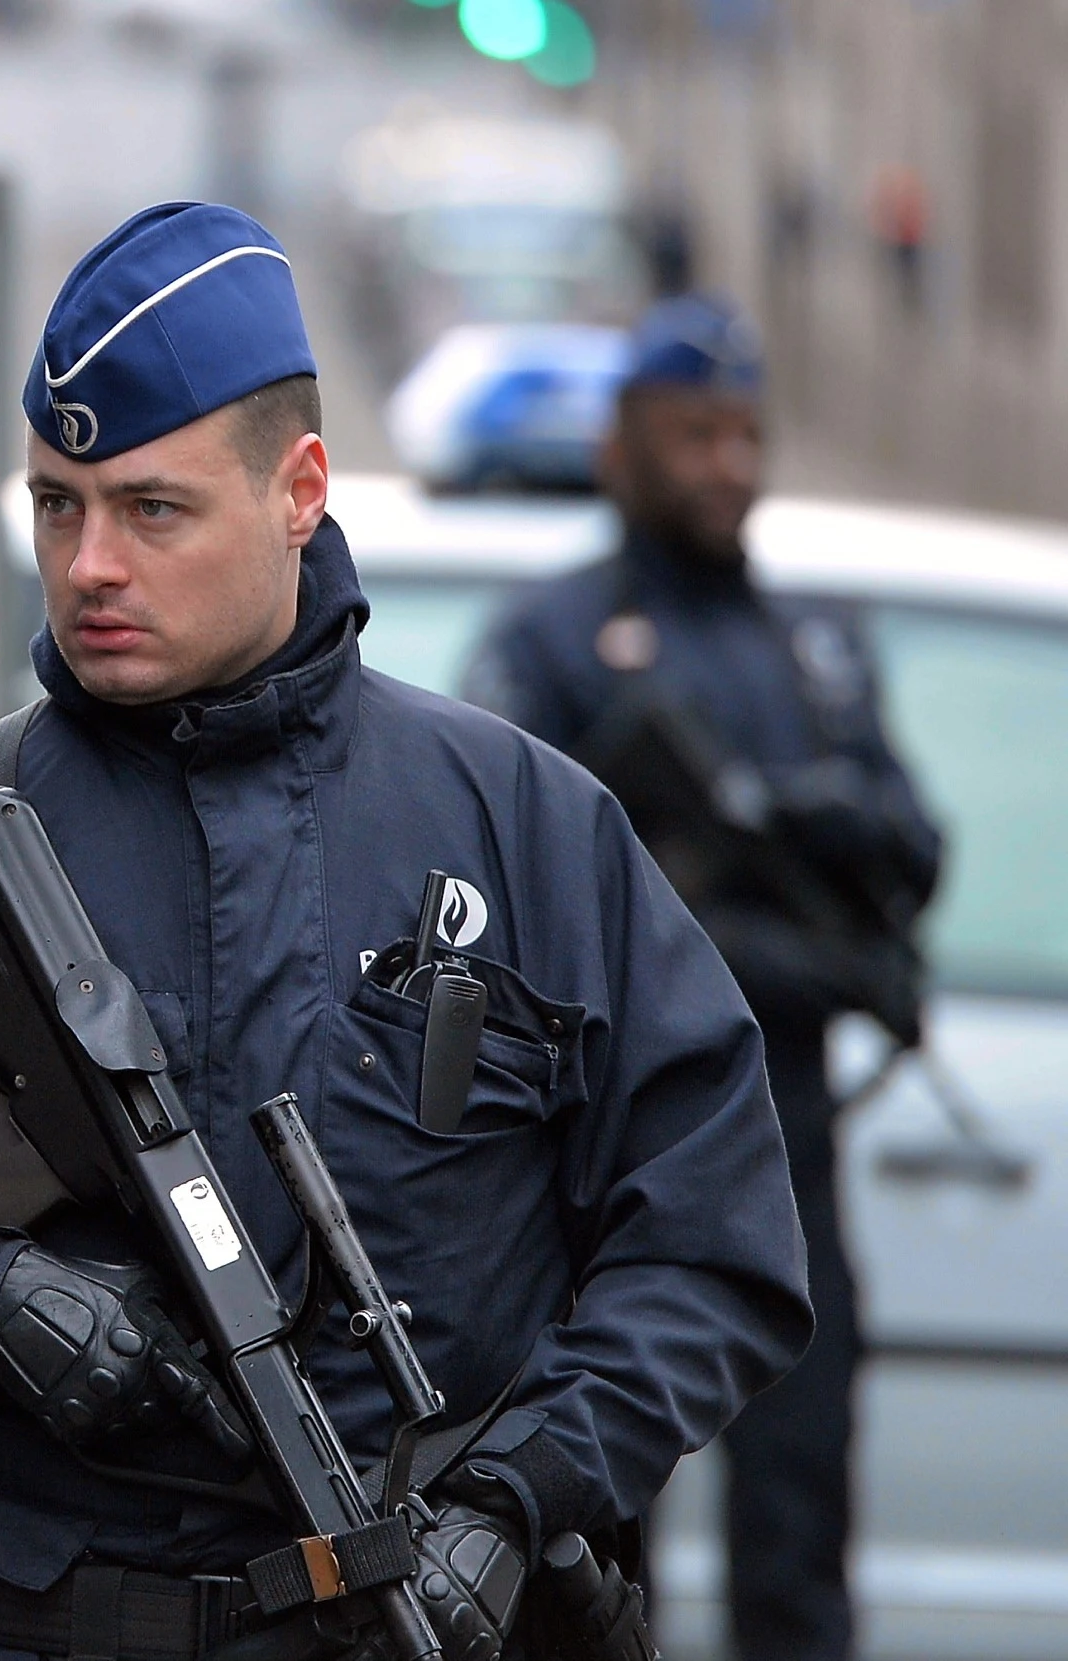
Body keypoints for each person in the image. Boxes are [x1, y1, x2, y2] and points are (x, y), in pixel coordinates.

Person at [0, 204, 813, 1661]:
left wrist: (517, 1498)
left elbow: (718, 1252)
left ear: (300, 489)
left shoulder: (527, 830)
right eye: (55, 506)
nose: (88, 567)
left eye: (152, 509)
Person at [462, 296, 942, 1661]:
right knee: (596, 1569)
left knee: (797, 1542)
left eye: (747, 434)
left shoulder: (817, 648)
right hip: (592, 1171)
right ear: (623, 445)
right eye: (695, 435)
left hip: (783, 1153)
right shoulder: (552, 643)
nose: (729, 464)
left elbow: (908, 853)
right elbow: (523, 921)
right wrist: (770, 949)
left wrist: (803, 827)